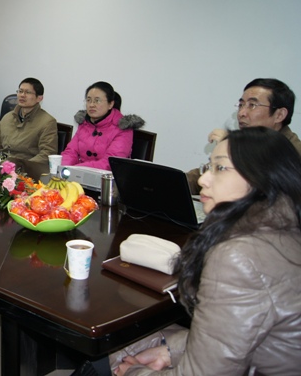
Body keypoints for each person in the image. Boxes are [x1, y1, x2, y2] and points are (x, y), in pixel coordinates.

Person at [82, 127, 301, 376]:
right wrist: (169, 351)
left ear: (260, 179)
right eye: (209, 167)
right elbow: (235, 338)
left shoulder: (239, 256)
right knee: (121, 348)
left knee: (110, 355)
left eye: (220, 168)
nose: (203, 179)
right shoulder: (284, 227)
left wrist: (133, 372)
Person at [186, 78, 300, 193]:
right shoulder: (250, 143)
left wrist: (231, 152)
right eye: (241, 105)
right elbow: (199, 179)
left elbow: (263, 190)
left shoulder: (294, 154)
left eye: (252, 105)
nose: (241, 113)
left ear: (279, 115)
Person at [61, 82, 144, 170]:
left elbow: (110, 163)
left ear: (110, 104)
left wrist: (75, 169)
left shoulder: (123, 128)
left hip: (108, 176)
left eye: (97, 101)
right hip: (80, 173)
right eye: (88, 100)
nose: (91, 105)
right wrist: (63, 168)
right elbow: (70, 152)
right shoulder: (84, 123)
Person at [0, 77, 57, 179]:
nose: (22, 95)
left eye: (28, 92)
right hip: (1, 167)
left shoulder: (47, 122)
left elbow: (46, 154)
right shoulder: (7, 117)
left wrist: (22, 166)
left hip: (27, 172)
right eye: (20, 91)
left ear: (39, 98)